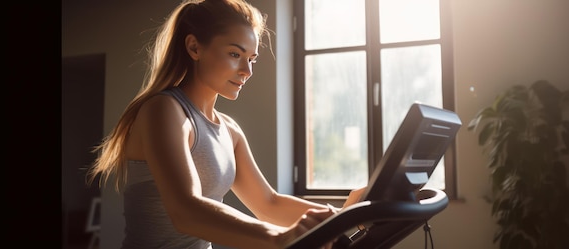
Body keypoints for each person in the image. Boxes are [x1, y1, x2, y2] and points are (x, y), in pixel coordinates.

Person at [86, 0, 365, 248]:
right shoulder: (164, 110)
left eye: (251, 58)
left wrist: (347, 216)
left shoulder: (229, 130)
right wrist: (279, 238)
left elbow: (268, 203)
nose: (247, 70)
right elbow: (186, 211)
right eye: (235, 54)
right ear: (194, 47)